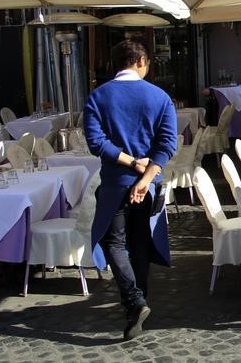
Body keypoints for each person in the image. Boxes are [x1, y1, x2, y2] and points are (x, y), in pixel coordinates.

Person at [84, 39, 177, 340]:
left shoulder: (98, 97)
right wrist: (145, 177)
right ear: (140, 61)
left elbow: (97, 143)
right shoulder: (160, 97)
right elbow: (167, 146)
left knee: (113, 243)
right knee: (139, 243)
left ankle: (134, 301)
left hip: (114, 184)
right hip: (146, 188)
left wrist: (130, 163)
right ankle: (140, 300)